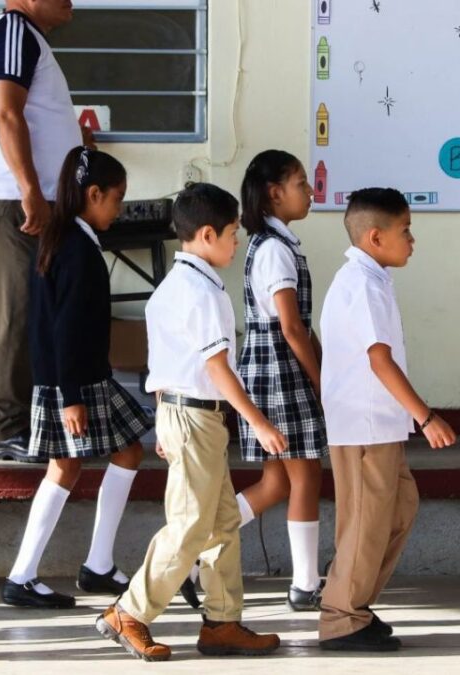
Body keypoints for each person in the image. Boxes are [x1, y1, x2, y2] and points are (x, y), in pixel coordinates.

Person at [95, 182, 285, 661]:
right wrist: (258, 423)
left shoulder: (175, 287)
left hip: (186, 414)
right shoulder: (200, 292)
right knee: (191, 524)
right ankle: (130, 611)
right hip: (197, 415)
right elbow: (217, 368)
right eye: (232, 233)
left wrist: (165, 420)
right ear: (206, 234)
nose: (236, 241)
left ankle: (222, 622)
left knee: (220, 522)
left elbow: (162, 364)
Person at [1, 147, 152, 609]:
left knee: (127, 450)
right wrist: (70, 397)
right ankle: (22, 576)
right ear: (93, 194)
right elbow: (64, 327)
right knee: (65, 467)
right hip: (73, 383)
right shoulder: (77, 249)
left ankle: (99, 565)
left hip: (83, 378)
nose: (120, 208)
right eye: (117, 198)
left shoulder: (64, 238)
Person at [186, 150, 327, 611]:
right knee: (305, 473)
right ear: (274, 193)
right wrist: (321, 379)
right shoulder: (273, 250)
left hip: (275, 364)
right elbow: (291, 328)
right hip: (279, 366)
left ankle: (195, 557)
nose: (309, 191)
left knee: (278, 483)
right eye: (301, 183)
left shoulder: (277, 244)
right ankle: (305, 584)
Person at [317, 187, 456, 652]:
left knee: (397, 510)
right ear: (376, 237)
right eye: (406, 231)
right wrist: (426, 416)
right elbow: (380, 360)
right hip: (364, 424)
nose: (412, 240)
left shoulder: (372, 278)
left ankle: (356, 604)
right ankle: (341, 617)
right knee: (365, 523)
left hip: (379, 423)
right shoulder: (359, 283)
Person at [0, 0, 87, 461]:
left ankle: (38, 420)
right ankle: (6, 427)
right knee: (20, 309)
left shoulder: (30, 39)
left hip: (39, 198)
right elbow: (7, 114)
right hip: (17, 201)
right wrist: (29, 189)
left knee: (44, 310)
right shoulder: (14, 32)